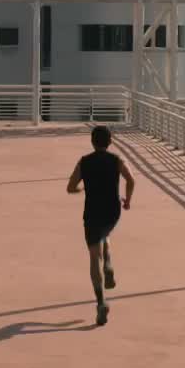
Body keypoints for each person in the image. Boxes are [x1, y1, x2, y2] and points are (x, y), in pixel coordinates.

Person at [67, 124, 135, 326]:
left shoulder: (84, 162)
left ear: (92, 142)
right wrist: (127, 201)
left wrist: (80, 189)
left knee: (94, 256)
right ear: (110, 141)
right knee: (105, 233)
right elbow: (131, 180)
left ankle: (101, 302)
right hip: (112, 211)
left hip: (92, 213)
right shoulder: (117, 160)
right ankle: (109, 263)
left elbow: (70, 187)